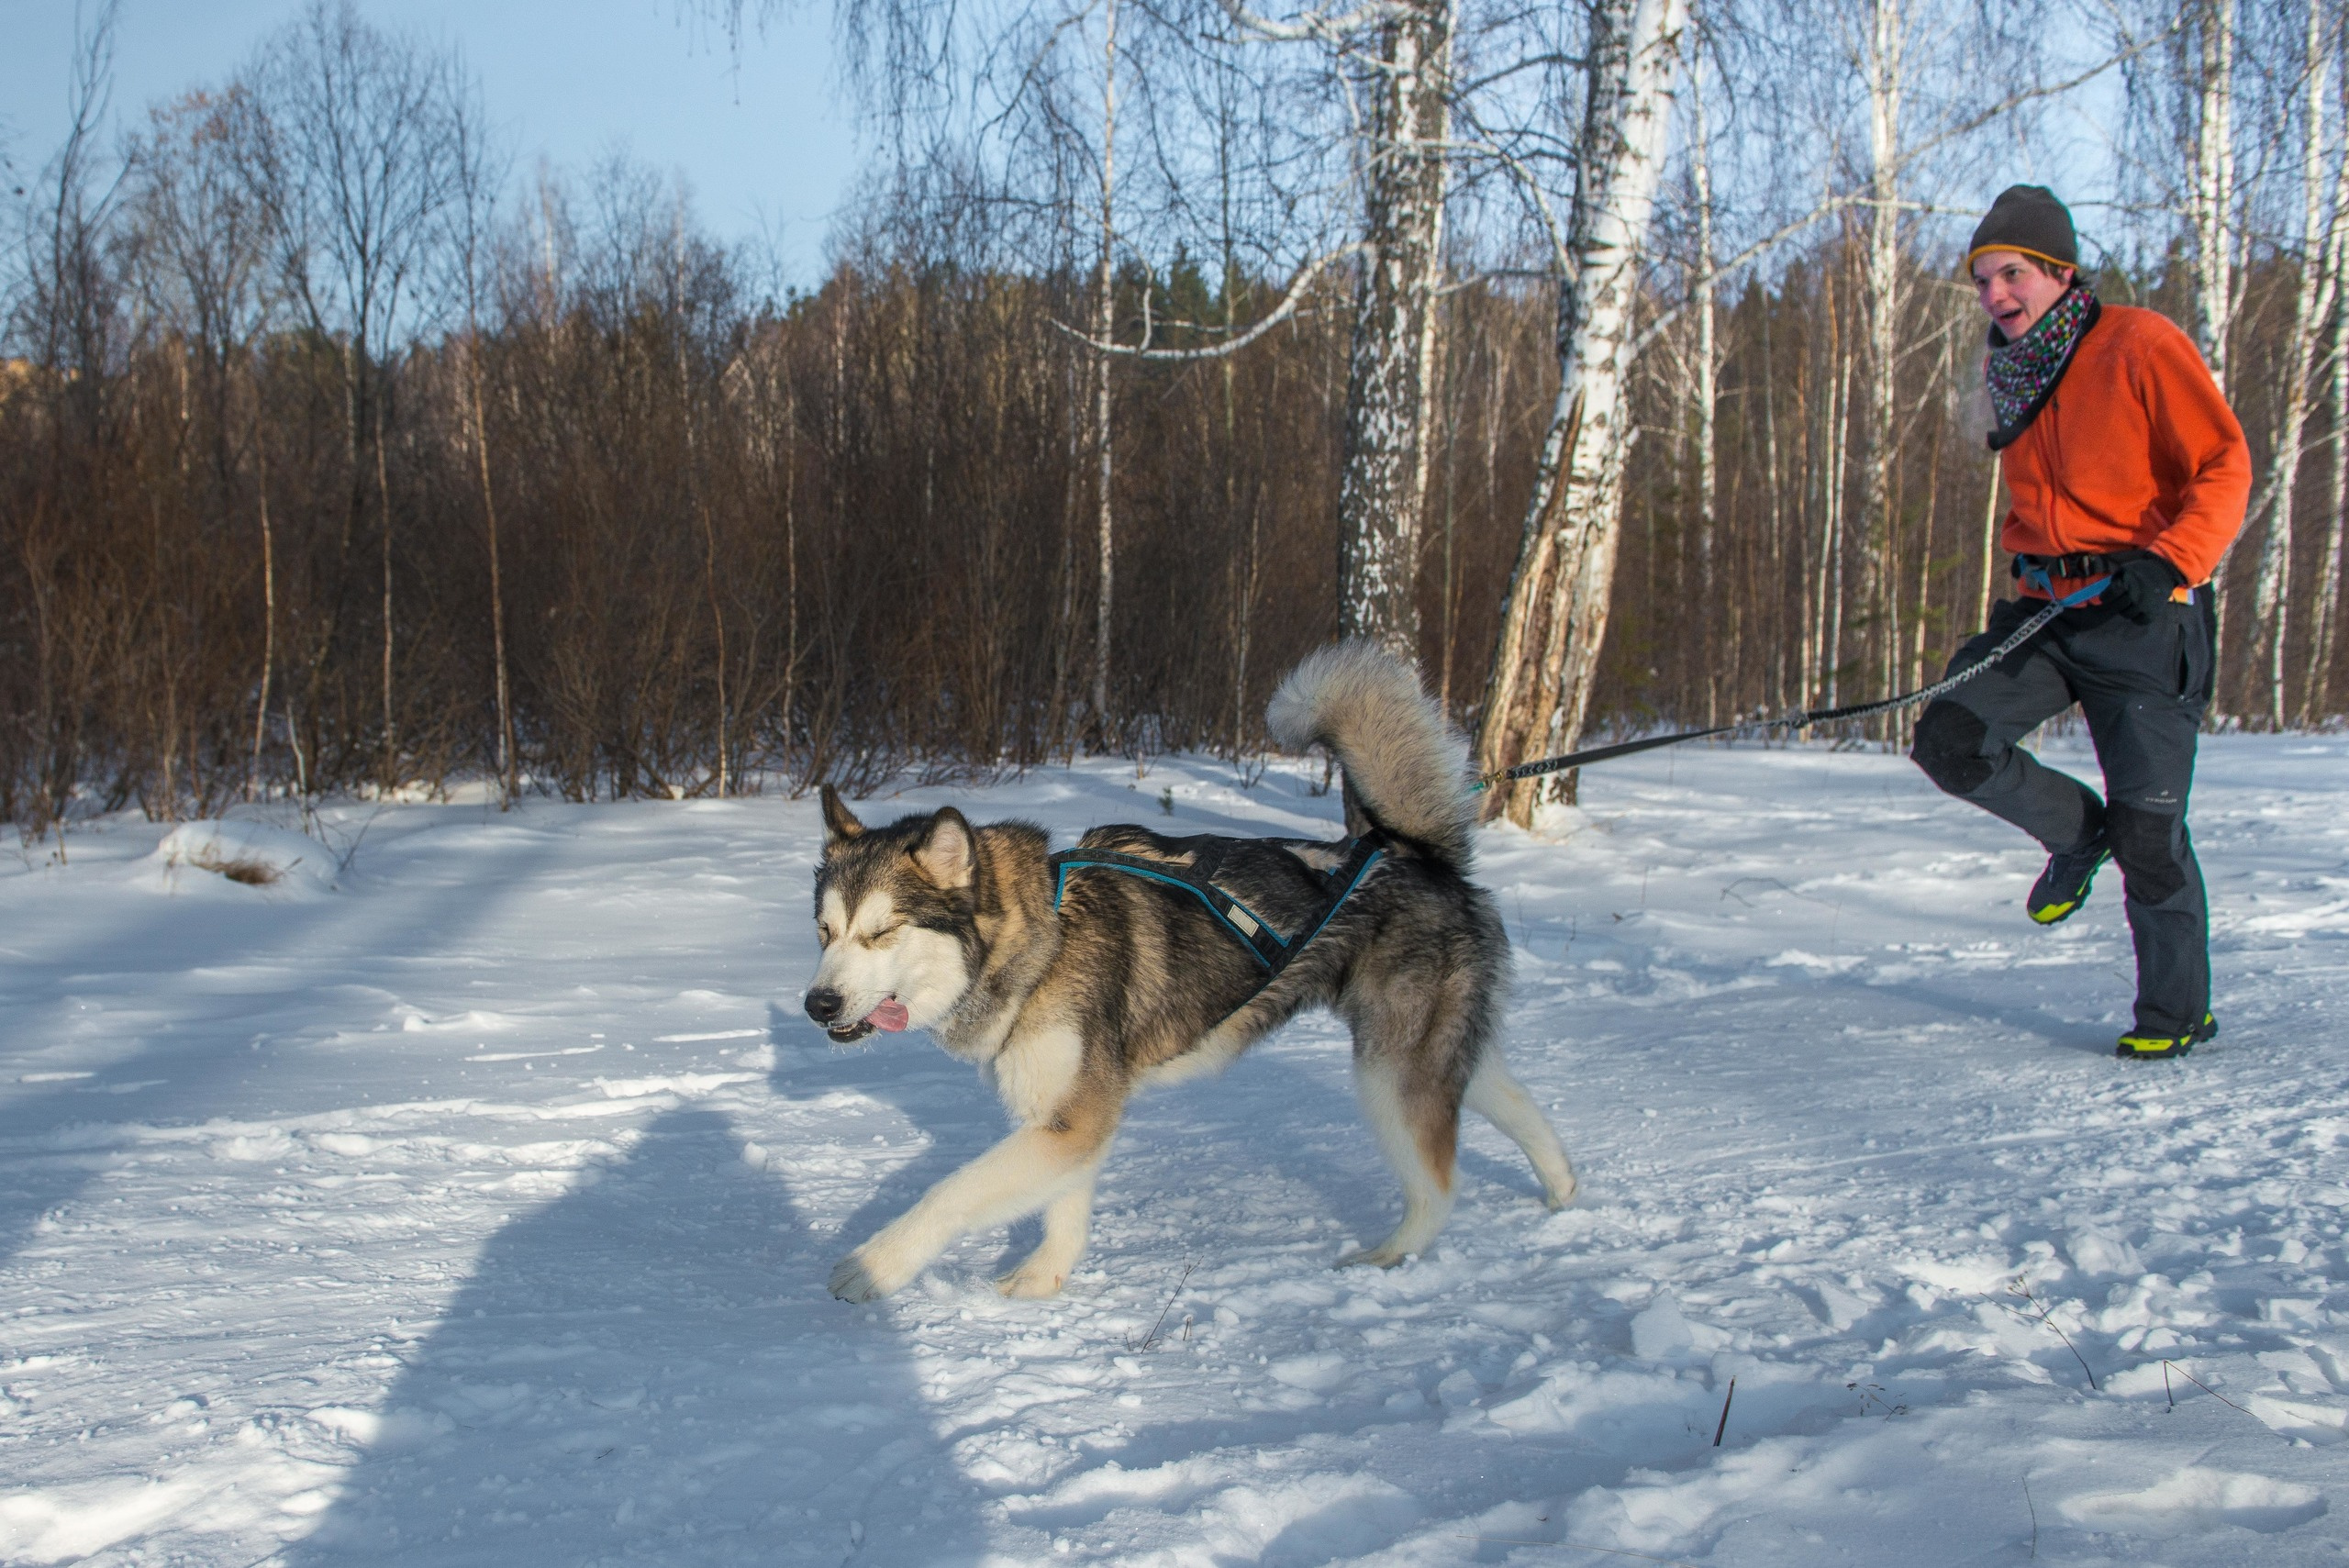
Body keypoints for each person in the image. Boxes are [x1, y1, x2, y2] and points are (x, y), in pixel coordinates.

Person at [1909, 184, 2251, 1060]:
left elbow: (2225, 462)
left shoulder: (2140, 342)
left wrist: (2172, 560)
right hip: (2047, 612)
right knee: (1951, 737)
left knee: (2151, 830)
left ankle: (2176, 1013)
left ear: (2061, 271)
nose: (1993, 295)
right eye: (1981, 280)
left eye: (2011, 274)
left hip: (2146, 614)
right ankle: (2077, 833)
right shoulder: (2010, 370)